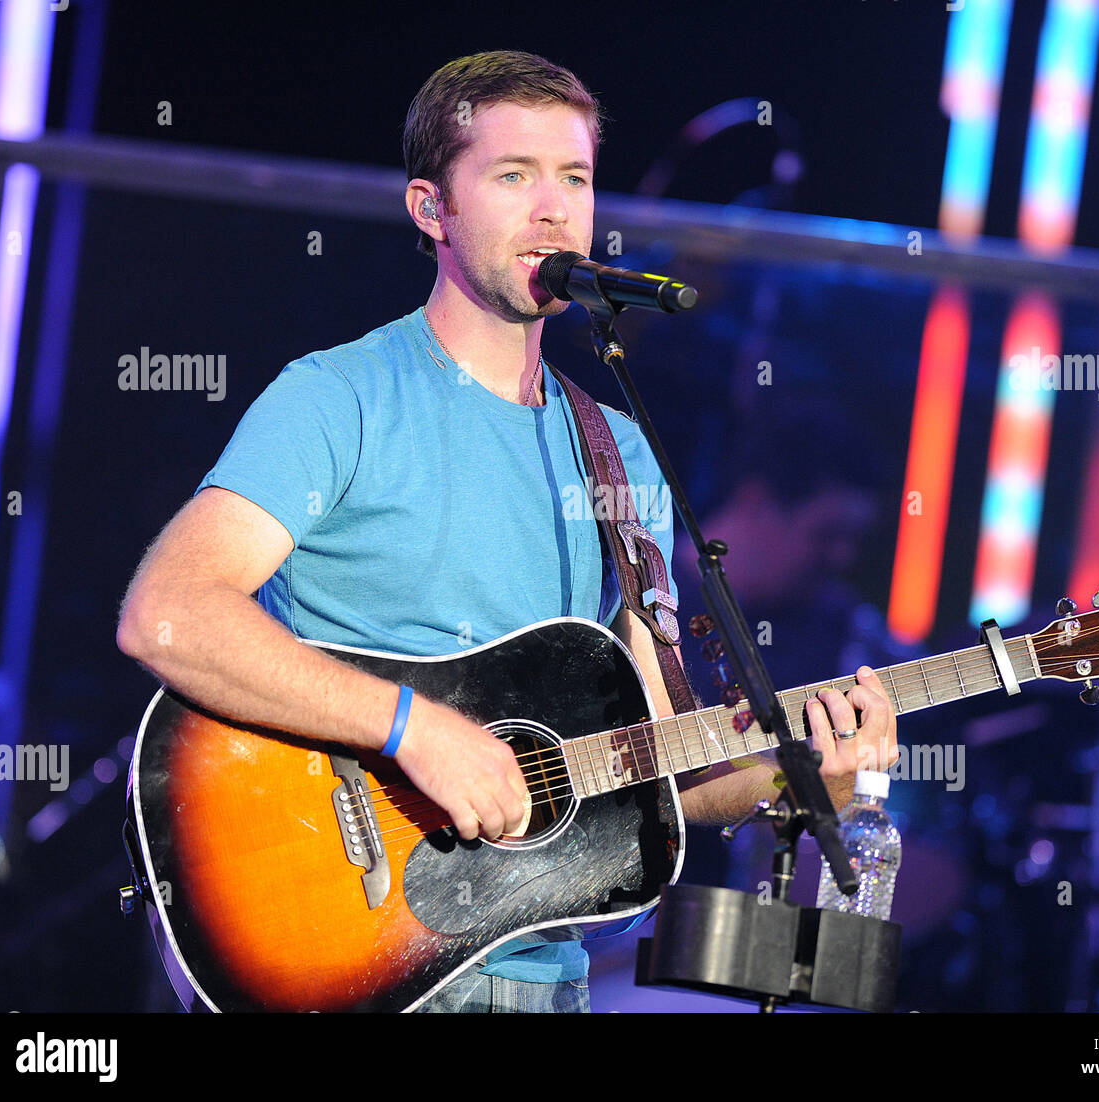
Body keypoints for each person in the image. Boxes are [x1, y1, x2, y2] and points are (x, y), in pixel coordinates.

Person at [115, 49, 898, 1013]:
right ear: (429, 209)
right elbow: (168, 615)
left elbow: (662, 763)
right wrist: (412, 729)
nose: (554, 208)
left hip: (541, 975)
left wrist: (797, 770)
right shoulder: (338, 398)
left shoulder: (619, 454)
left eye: (573, 177)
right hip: (347, 958)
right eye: (513, 175)